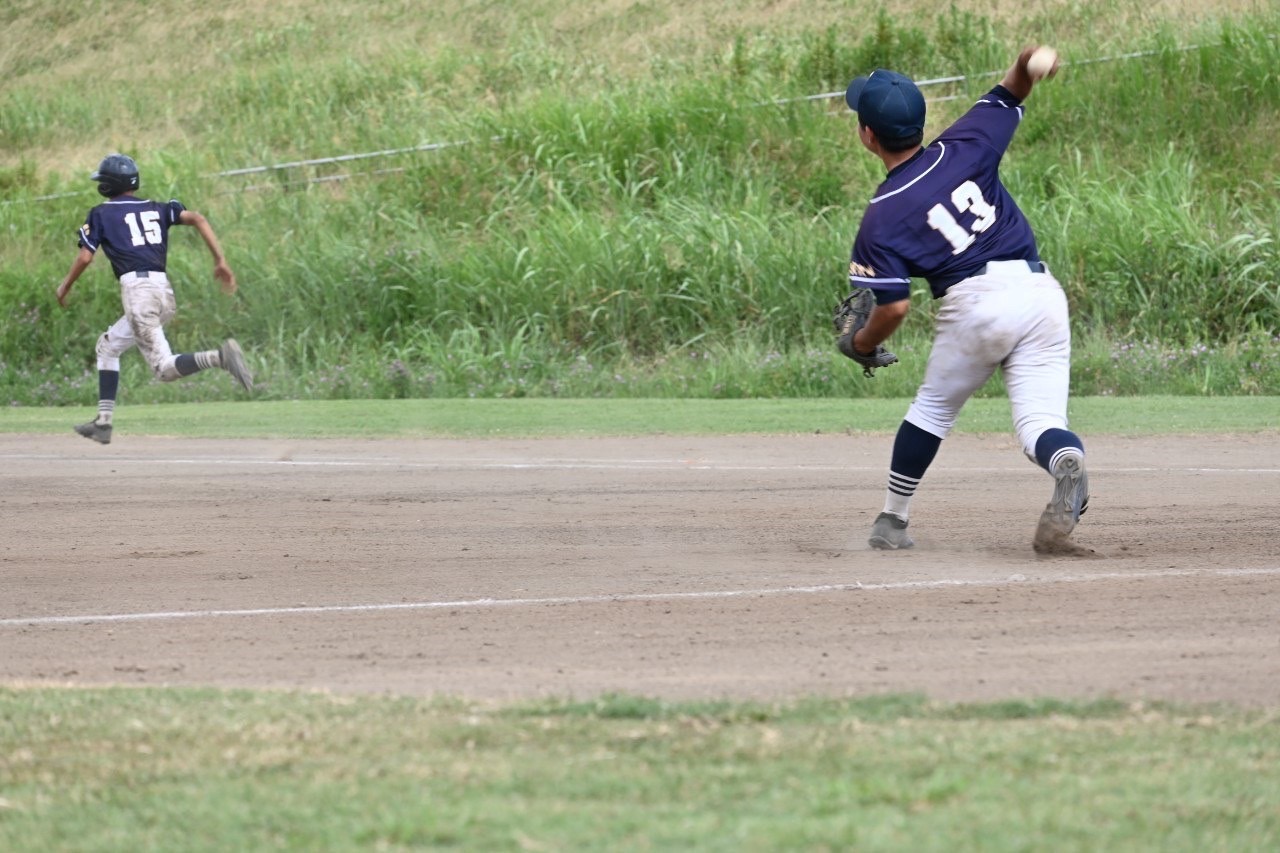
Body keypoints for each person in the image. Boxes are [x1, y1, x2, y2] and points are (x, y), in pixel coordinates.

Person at [842, 46, 1089, 555]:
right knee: (1040, 423)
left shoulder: (881, 217)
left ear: (868, 135)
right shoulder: (966, 141)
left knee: (932, 411)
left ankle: (893, 518)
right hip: (1040, 292)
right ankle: (1064, 458)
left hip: (975, 304)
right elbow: (1015, 86)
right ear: (921, 118)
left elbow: (892, 308)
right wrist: (1028, 59)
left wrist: (862, 345)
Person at [55, 153, 253, 445]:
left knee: (164, 370)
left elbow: (86, 256)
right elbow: (197, 218)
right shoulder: (157, 208)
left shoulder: (100, 213)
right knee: (107, 347)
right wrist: (220, 260)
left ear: (107, 186)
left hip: (138, 293)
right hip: (163, 292)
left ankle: (220, 357)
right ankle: (103, 423)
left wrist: (65, 286)